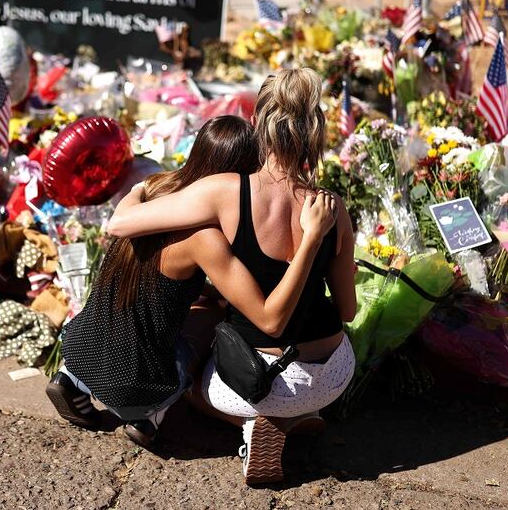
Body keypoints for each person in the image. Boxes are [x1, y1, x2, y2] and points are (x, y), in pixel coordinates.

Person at [107, 68, 357, 485]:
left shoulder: (227, 192)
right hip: (333, 374)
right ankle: (297, 417)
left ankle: (257, 423)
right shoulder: (333, 208)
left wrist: (139, 188)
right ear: (314, 130)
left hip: (265, 381)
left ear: (258, 123)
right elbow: (348, 310)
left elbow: (120, 225)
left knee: (190, 377)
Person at [48, 115, 337, 452]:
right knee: (213, 317)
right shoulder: (205, 237)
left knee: (151, 310)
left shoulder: (157, 188)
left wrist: (138, 188)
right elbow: (266, 317)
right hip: (133, 384)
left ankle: (71, 380)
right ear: (237, 173)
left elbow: (157, 273)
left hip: (79, 347)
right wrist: (310, 242)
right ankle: (151, 416)